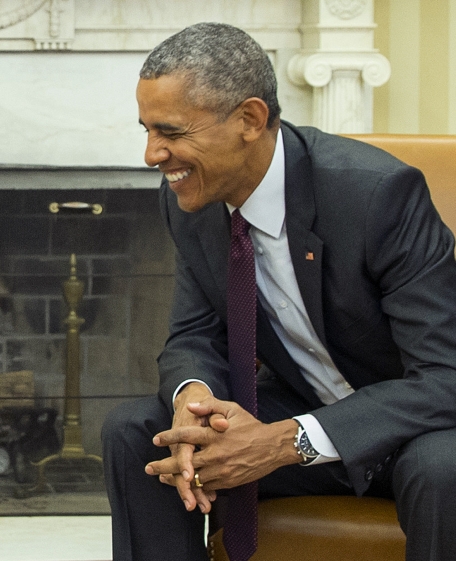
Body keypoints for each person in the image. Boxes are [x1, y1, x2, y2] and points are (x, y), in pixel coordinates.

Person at [101, 22, 456, 561]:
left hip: (407, 429)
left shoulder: (377, 195)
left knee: (445, 466)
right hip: (302, 408)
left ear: (249, 119)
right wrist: (194, 402)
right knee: (140, 433)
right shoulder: (190, 201)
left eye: (170, 132)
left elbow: (444, 375)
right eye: (147, 130)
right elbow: (193, 335)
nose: (153, 154)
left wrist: (285, 441)